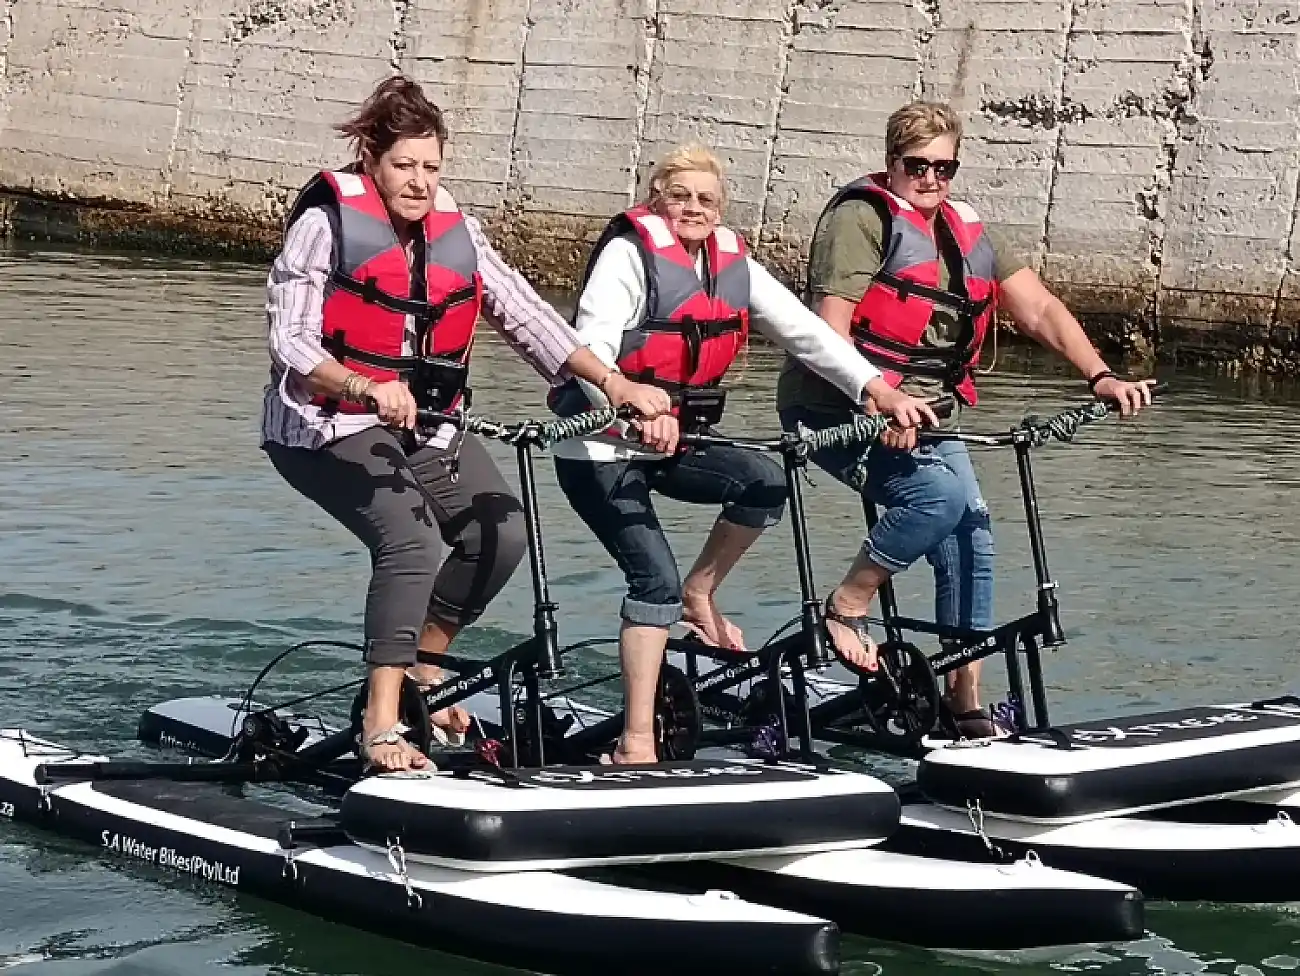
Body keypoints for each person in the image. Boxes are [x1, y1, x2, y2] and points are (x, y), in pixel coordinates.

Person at [260, 74, 671, 773]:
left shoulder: (458, 231)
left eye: (431, 166)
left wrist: (613, 383)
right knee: (413, 540)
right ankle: (380, 723)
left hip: (428, 426)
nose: (419, 182)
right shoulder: (323, 225)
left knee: (497, 531)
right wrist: (367, 383)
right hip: (323, 425)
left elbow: (526, 316)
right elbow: (292, 344)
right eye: (404, 166)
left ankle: (424, 664)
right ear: (371, 160)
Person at [547, 144, 939, 765]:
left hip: (680, 441)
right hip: (601, 447)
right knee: (653, 578)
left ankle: (702, 594)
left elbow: (807, 334)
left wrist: (877, 390)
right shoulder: (629, 256)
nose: (694, 209)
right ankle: (637, 741)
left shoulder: (732, 264)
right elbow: (591, 345)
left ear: (722, 209)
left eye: (707, 199)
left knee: (763, 480)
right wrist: (629, 404)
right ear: (658, 202)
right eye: (681, 198)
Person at [776, 101, 1156, 739]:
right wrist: (877, 399)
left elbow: (1038, 308)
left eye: (944, 167)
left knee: (972, 532)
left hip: (932, 413)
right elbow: (829, 328)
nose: (930, 179)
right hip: (835, 410)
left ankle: (963, 698)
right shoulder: (858, 221)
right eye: (916, 166)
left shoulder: (964, 227)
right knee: (941, 495)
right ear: (891, 162)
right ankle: (848, 602)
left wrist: (1101, 375)